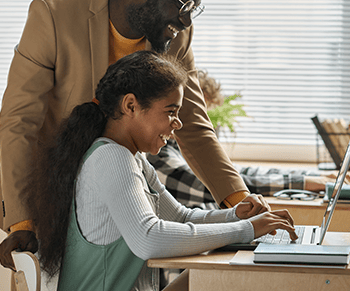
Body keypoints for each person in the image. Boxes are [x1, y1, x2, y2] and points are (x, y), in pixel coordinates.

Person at [0, 0, 269, 266]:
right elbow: (18, 121)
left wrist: (242, 202)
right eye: (183, 6)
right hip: (58, 194)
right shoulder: (54, 15)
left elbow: (194, 124)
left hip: (123, 190)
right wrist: (23, 221)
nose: (185, 22)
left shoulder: (175, 37)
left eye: (192, 11)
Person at [20, 51, 297, 291]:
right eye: (171, 111)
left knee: (215, 278)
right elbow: (148, 238)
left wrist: (234, 215)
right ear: (131, 106)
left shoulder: (133, 158)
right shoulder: (111, 158)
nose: (177, 123)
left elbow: (180, 216)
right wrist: (245, 230)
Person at [147, 70, 340, 210]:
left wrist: (309, 176)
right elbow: (219, 184)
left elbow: (237, 173)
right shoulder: (158, 157)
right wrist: (303, 183)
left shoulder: (176, 148)